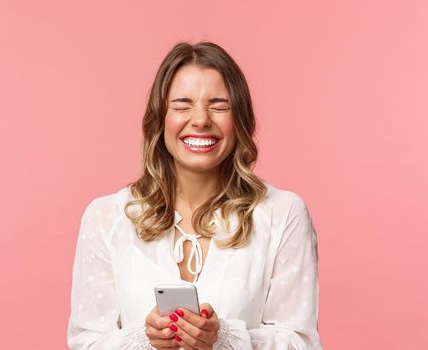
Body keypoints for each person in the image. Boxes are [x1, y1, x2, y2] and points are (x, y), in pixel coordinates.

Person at [67, 41, 321, 349]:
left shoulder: (282, 213)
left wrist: (223, 337)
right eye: (182, 105)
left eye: (218, 105)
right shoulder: (107, 218)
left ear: (239, 118)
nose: (200, 119)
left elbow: (301, 343)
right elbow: (87, 343)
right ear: (160, 119)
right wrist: (144, 339)